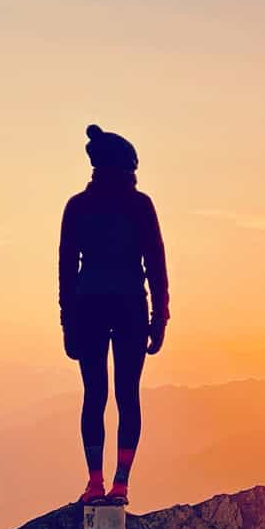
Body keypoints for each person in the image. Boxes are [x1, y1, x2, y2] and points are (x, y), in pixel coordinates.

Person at [59, 122, 169, 504]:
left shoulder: (77, 207)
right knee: (127, 394)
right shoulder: (140, 206)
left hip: (88, 307)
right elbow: (155, 263)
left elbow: (66, 269)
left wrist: (67, 324)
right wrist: (160, 318)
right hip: (130, 309)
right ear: (127, 169)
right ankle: (120, 482)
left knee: (95, 395)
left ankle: (95, 482)